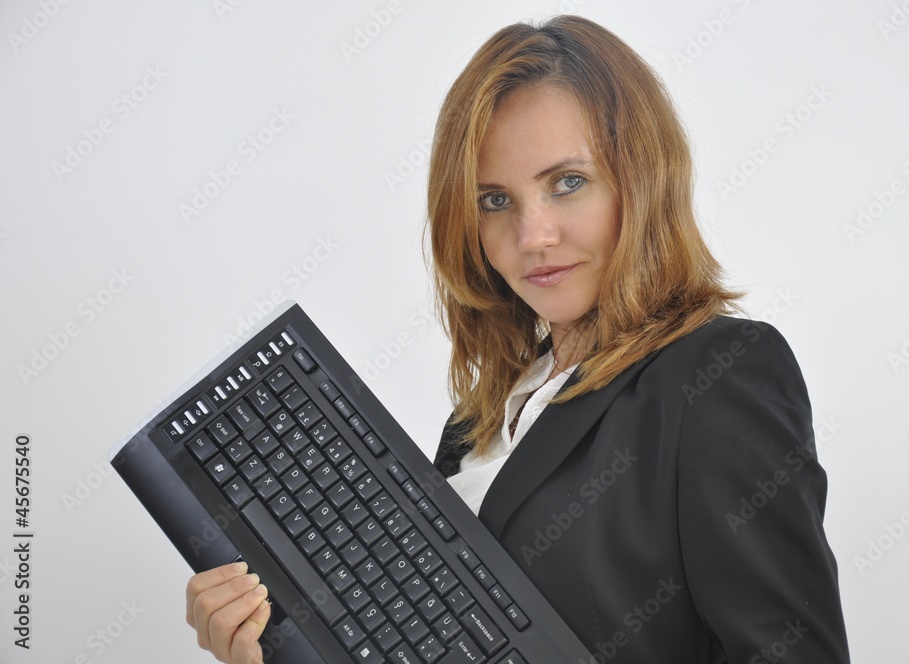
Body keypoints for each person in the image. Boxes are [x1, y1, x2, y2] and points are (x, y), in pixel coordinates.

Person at [187, 15, 851, 663]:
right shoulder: (478, 418)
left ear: (641, 181)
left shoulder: (718, 373)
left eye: (568, 183)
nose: (533, 237)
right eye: (495, 201)